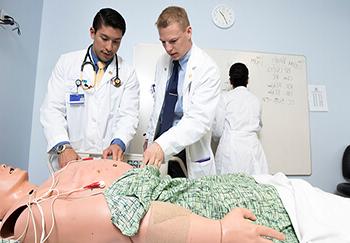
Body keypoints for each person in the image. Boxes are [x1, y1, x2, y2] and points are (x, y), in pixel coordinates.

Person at [2, 160, 350, 243]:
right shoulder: (30, 217)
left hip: (274, 194)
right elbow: (134, 220)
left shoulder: (51, 183)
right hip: (251, 218)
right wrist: (219, 231)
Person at [40, 8, 139, 170]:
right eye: (104, 38)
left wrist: (118, 142)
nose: (109, 47)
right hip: (70, 158)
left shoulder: (127, 73)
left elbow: (128, 116)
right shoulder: (67, 63)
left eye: (116, 42)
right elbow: (52, 109)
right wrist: (63, 146)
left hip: (107, 161)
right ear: (92, 33)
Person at [143, 6, 221, 179]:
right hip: (159, 145)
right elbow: (159, 108)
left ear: (189, 32)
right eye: (163, 42)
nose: (168, 48)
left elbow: (199, 120)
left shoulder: (207, 68)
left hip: (188, 151)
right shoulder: (162, 62)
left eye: (173, 40)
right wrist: (149, 138)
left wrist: (161, 145)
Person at [212, 63, 268, 175]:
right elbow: (258, 126)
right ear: (247, 80)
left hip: (230, 149)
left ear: (230, 81)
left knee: (227, 188)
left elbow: (217, 132)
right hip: (252, 149)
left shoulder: (224, 98)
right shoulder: (255, 100)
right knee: (254, 186)